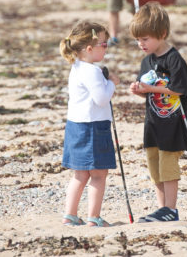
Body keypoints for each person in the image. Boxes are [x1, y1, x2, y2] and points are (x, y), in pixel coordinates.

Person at [129, 2, 187, 222]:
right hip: (153, 122)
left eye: (145, 39)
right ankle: (161, 208)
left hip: (173, 122)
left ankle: (171, 209)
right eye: (138, 40)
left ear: (162, 34)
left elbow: (180, 88)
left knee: (167, 164)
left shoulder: (174, 59)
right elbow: (149, 93)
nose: (141, 44)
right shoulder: (147, 61)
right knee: (154, 164)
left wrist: (151, 88)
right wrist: (139, 91)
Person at [59, 21, 120, 227]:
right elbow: (101, 99)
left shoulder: (76, 67)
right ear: (89, 49)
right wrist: (112, 83)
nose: (106, 48)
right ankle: (94, 217)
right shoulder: (92, 71)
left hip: (75, 126)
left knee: (80, 174)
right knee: (99, 174)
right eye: (104, 44)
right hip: (93, 128)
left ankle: (70, 215)